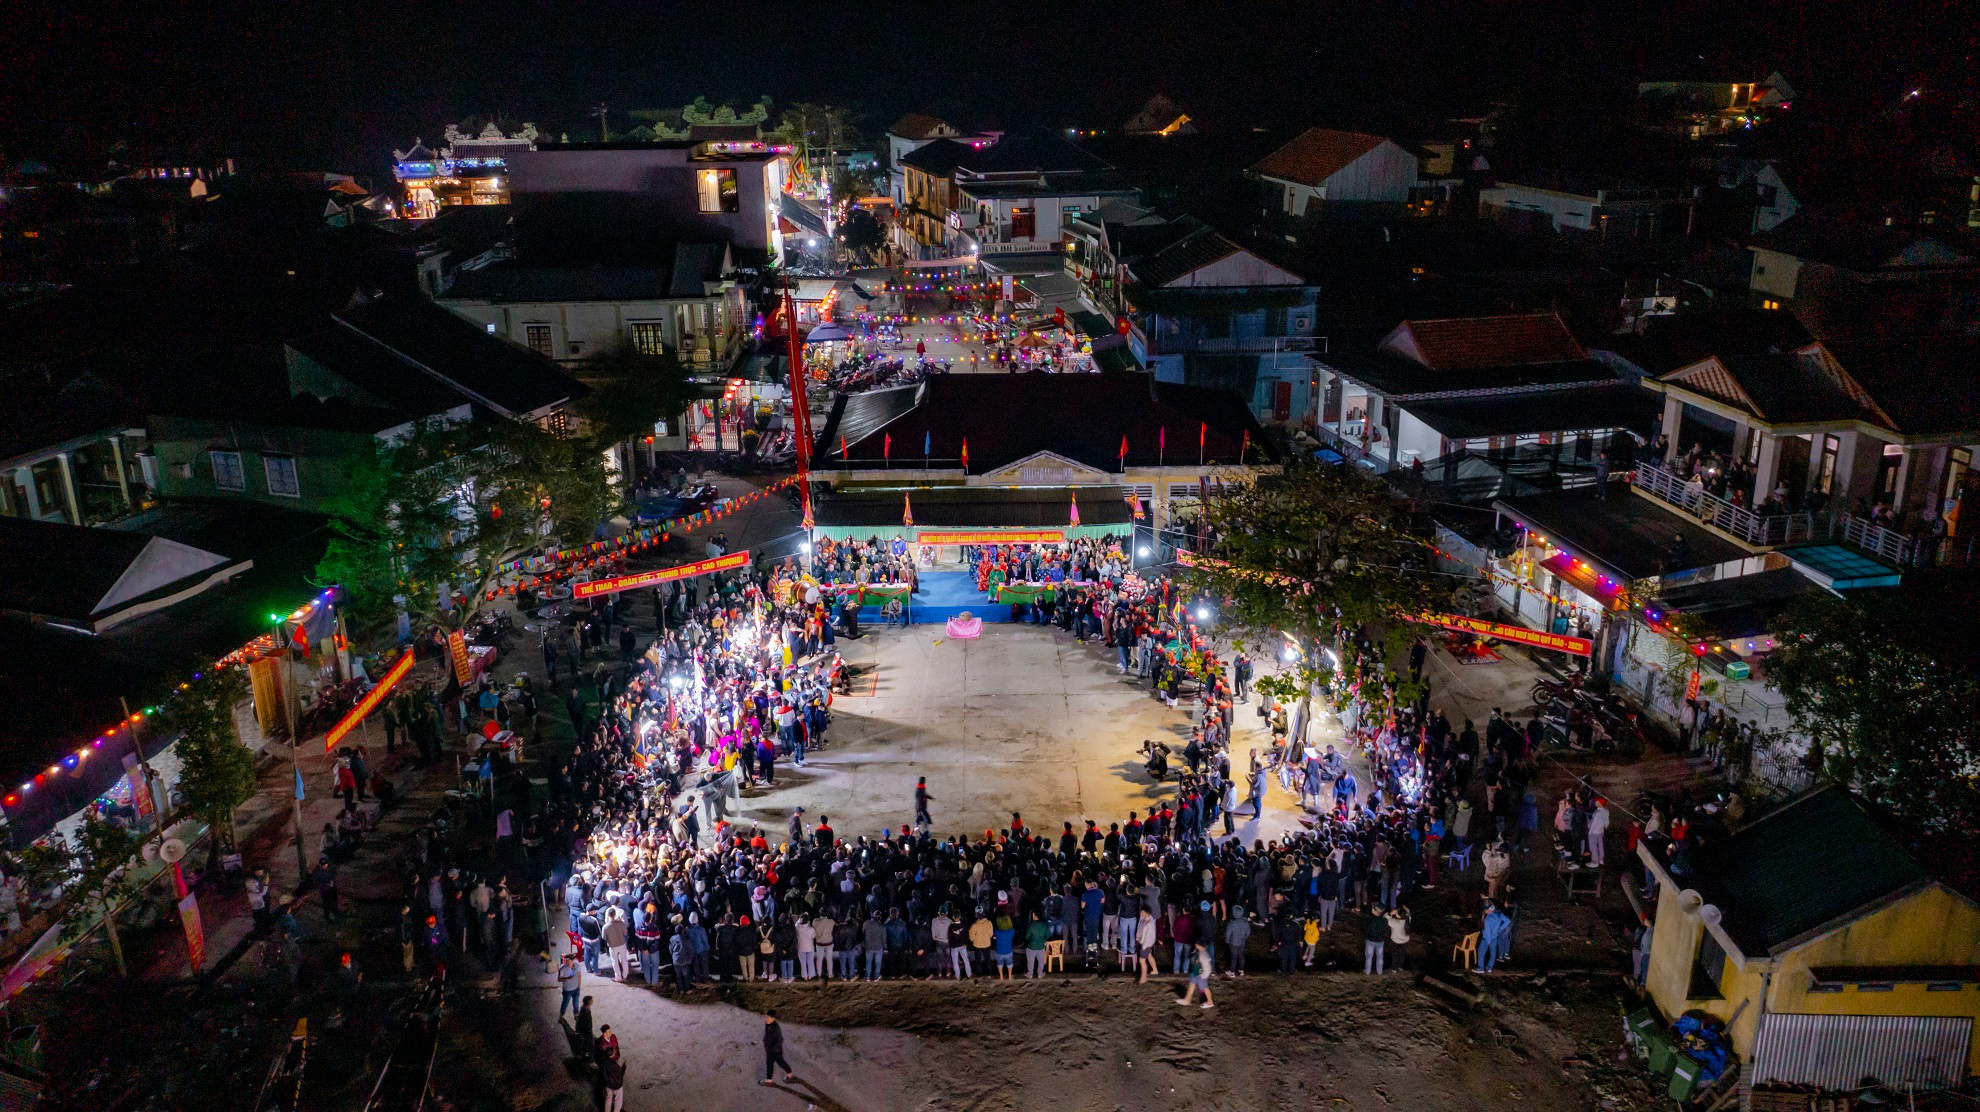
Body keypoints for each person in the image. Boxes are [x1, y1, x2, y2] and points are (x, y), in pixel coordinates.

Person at [760, 1013, 797, 1086]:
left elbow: (780, 1040)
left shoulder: (776, 1027)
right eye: (766, 1017)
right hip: (769, 1049)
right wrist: (765, 1040)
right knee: (769, 1064)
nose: (766, 1019)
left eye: (768, 1018)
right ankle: (769, 1080)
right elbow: (767, 1035)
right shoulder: (768, 1024)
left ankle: (790, 1074)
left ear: (773, 1018)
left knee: (781, 1062)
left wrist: (773, 1049)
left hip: (776, 1050)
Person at [1175, 942, 1214, 1009]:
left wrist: (1204, 976)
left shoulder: (1203, 954)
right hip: (1196, 973)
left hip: (1201, 975)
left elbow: (1208, 967)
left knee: (1205, 988)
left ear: (1200, 946)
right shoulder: (1199, 951)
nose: (1195, 945)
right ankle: (1187, 999)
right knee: (1192, 984)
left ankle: (1210, 1002)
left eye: (1197, 944)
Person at [1361, 906, 1387, 975]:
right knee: (1380, 956)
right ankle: (1379, 971)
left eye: (1373, 908)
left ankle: (1367, 971)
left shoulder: (1369, 920)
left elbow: (1366, 930)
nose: (1372, 909)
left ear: (1376, 912)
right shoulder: (1384, 920)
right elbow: (1386, 931)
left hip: (1370, 941)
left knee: (1369, 956)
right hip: (1380, 941)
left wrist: (1366, 938)